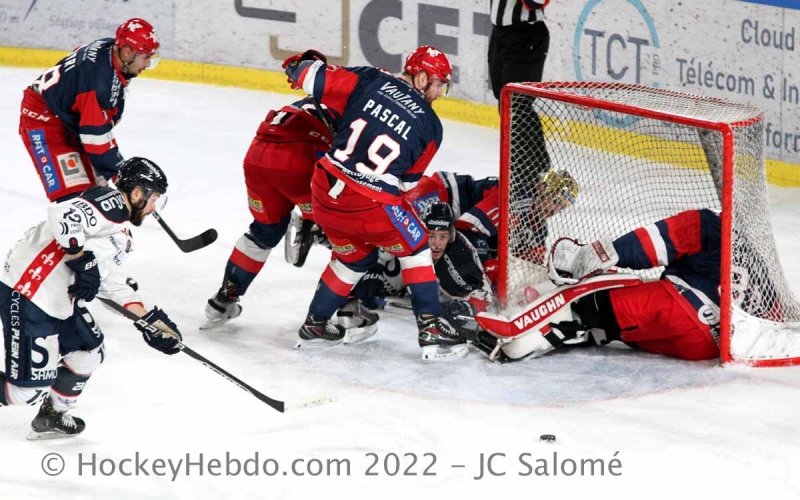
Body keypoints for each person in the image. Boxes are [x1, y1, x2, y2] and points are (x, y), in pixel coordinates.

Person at [283, 46, 465, 360]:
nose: (438, 93)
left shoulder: (371, 78)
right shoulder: (432, 127)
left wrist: (298, 66)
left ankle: (315, 325)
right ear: (421, 77)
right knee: (416, 245)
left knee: (353, 260)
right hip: (370, 200)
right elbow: (406, 184)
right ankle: (431, 327)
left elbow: (308, 76)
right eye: (437, 84)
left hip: (324, 191)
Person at [0, 157, 182, 439]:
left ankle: (53, 415)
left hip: (59, 297)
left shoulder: (121, 231)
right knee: (24, 392)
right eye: (154, 198)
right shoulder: (111, 203)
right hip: (29, 291)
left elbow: (110, 282)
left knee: (88, 353)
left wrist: (148, 320)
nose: (153, 207)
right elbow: (63, 214)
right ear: (137, 193)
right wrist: (81, 260)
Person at [201, 51, 337, 329]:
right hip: (296, 161)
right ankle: (350, 306)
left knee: (265, 230)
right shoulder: (345, 105)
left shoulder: (300, 104)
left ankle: (224, 299)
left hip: (257, 157)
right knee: (343, 229)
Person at [543, 209, 780, 361]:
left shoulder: (708, 223)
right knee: (635, 326)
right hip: (708, 345)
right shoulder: (752, 253)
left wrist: (609, 253)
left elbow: (652, 244)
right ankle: (602, 330)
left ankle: (556, 325)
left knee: (597, 304)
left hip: (680, 310)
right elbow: (772, 309)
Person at [20, 18, 160, 202]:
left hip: (70, 120)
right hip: (44, 122)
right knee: (74, 204)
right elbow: (96, 141)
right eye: (146, 57)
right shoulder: (98, 84)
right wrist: (122, 174)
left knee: (101, 198)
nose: (148, 64)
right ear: (127, 52)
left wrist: (117, 172)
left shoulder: (109, 50)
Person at [489, 0, 551, 175]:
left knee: (516, 105)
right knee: (505, 101)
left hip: (525, 36)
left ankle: (526, 173)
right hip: (500, 34)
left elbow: (536, 2)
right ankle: (540, 167)